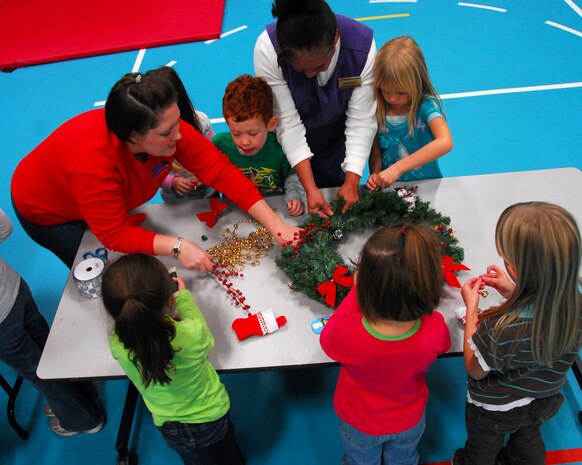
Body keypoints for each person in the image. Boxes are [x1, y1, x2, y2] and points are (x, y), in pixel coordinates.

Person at [11, 66, 300, 271]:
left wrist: (276, 226)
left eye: (177, 122)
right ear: (134, 136)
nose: (179, 135)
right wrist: (178, 246)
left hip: (87, 192)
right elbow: (113, 235)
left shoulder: (163, 127)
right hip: (48, 212)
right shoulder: (93, 165)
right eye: (166, 132)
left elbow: (220, 171)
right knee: (102, 270)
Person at [452, 202, 582, 465]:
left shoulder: (500, 328)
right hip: (544, 399)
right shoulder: (575, 305)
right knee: (528, 436)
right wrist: (514, 291)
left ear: (513, 268)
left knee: (483, 448)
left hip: (495, 409)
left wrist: (473, 309)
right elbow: (543, 314)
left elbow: (474, 368)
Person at [320, 224, 451, 465]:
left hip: (360, 422)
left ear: (368, 289)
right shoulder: (434, 328)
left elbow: (327, 340)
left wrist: (356, 291)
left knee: (360, 461)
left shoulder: (349, 334)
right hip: (409, 419)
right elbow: (442, 345)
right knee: (405, 459)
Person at [101, 253, 245, 465]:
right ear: (169, 299)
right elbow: (203, 333)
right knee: (228, 451)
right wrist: (184, 298)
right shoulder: (192, 333)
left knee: (196, 460)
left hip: (168, 425)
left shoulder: (117, 345)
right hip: (211, 414)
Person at [254, 0, 377, 216]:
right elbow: (287, 124)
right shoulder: (268, 50)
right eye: (299, 69)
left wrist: (352, 180)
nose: (310, 75)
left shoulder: (362, 48)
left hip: (335, 143)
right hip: (286, 155)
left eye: (319, 66)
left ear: (336, 39)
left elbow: (362, 121)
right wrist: (309, 189)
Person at [0, 208, 105, 436]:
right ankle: (86, 393)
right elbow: (5, 228)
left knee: (36, 369)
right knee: (48, 346)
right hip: (13, 286)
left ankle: (82, 419)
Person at [366, 36, 453, 190]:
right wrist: (375, 174)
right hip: (392, 189)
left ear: (417, 82)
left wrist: (398, 168)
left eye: (401, 92)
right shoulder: (377, 107)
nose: (392, 98)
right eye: (386, 90)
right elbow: (377, 150)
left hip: (427, 186)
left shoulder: (425, 106)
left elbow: (445, 142)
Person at [213, 74, 305, 217]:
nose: (245, 142)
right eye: (236, 134)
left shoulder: (281, 146)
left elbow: (292, 175)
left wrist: (294, 195)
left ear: (270, 124)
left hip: (276, 209)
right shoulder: (219, 145)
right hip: (235, 213)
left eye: (253, 133)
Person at [154, 66, 217, 203]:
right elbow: (153, 170)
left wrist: (206, 174)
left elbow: (214, 153)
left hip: (208, 191)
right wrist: (172, 181)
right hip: (175, 200)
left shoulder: (201, 121)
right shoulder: (152, 136)